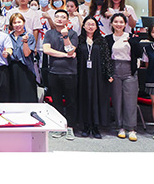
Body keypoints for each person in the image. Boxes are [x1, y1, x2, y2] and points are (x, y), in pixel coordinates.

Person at [42, 9, 79, 141]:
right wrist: (65, 55)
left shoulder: (73, 33)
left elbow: (71, 50)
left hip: (69, 72)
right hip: (53, 71)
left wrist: (65, 37)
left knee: (71, 101)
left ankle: (70, 127)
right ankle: (58, 125)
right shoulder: (49, 33)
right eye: (57, 16)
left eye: (63, 17)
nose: (59, 19)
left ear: (67, 20)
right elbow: (47, 50)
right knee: (56, 101)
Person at [105, 13, 143, 141]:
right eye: (116, 22)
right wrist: (108, 73)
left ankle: (131, 128)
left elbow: (139, 53)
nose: (118, 24)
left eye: (121, 22)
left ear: (125, 24)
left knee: (130, 101)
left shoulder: (131, 37)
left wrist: (133, 42)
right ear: (111, 23)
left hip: (129, 70)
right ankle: (120, 127)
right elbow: (106, 57)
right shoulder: (108, 38)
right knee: (117, 100)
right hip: (114, 70)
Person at [76, 16, 113, 139]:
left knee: (97, 98)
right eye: (88, 24)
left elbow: (107, 58)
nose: (90, 26)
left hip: (98, 74)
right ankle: (86, 126)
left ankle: (96, 126)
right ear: (83, 26)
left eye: (93, 24)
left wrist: (109, 73)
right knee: (85, 97)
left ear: (97, 27)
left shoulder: (101, 40)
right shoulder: (79, 40)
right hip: (83, 74)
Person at [7, 13, 38, 103]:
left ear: (24, 22)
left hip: (26, 68)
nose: (17, 25)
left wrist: (25, 42)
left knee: (27, 96)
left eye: (19, 22)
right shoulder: (8, 37)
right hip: (12, 68)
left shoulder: (30, 36)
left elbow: (27, 54)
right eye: (15, 23)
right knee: (14, 96)